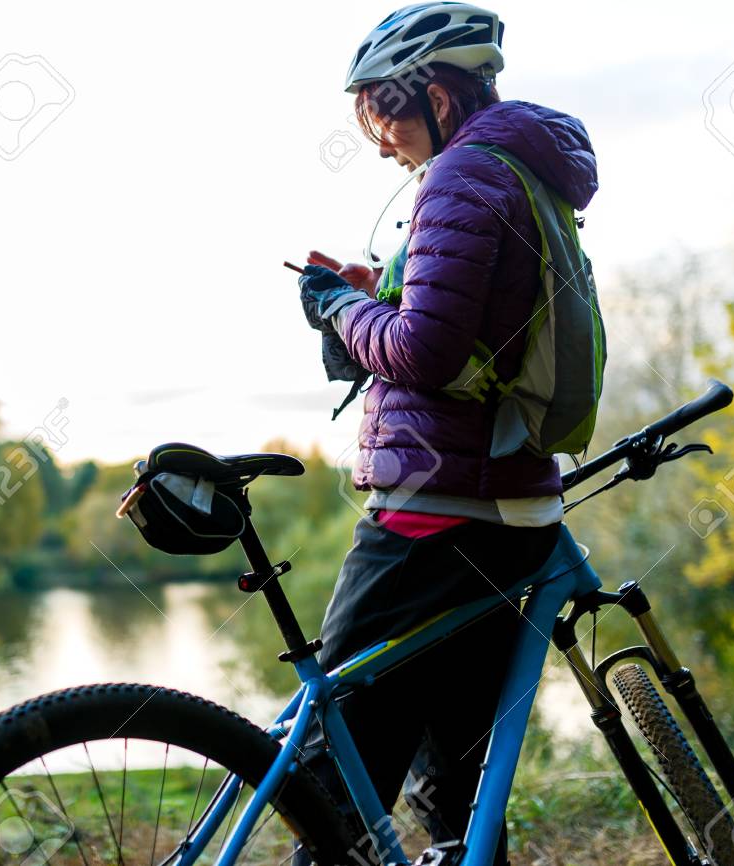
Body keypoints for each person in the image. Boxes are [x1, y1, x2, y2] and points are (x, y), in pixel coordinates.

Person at [296, 4, 599, 863]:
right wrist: (377, 294)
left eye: (380, 113)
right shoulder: (523, 168)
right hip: (505, 511)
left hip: (435, 513)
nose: (378, 140)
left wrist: (337, 305)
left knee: (339, 779)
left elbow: (424, 355)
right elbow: (470, 334)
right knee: (462, 785)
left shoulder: (464, 175)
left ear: (435, 94)